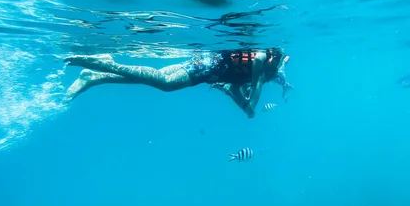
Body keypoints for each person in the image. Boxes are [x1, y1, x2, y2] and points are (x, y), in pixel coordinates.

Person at [63, 48, 293, 118]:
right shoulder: (262, 58)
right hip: (206, 67)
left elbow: (234, 88)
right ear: (274, 57)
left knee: (152, 77)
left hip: (205, 68)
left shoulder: (265, 71)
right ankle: (104, 64)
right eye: (276, 66)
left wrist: (242, 105)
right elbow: (257, 86)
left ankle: (95, 77)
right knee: (164, 82)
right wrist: (251, 105)